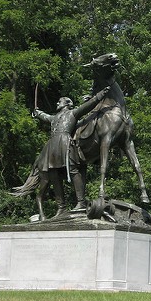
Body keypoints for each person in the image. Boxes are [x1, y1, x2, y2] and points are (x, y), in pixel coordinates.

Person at [33, 86, 110, 217]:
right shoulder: (54, 118)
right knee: (53, 175)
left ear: (67, 104)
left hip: (65, 143)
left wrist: (101, 94)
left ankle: (80, 202)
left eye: (60, 101)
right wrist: (37, 112)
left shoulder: (73, 113)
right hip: (52, 147)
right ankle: (61, 207)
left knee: (73, 170)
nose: (57, 103)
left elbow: (89, 105)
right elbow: (45, 116)